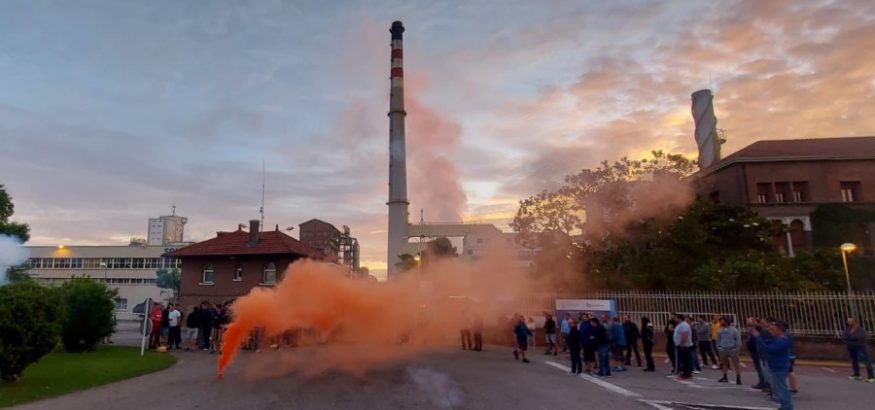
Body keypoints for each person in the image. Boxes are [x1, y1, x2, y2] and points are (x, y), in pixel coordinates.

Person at [752, 321, 793, 410]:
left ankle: (787, 407)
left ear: (779, 330)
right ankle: (785, 406)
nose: (770, 331)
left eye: (773, 330)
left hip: (779, 367)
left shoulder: (782, 340)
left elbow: (769, 349)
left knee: (781, 388)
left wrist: (758, 337)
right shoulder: (777, 339)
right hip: (776, 366)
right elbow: (767, 342)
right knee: (779, 388)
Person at [842, 317, 875, 382]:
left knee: (866, 361)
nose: (848, 322)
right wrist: (849, 339)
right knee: (854, 361)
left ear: (854, 322)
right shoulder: (847, 329)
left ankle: (871, 377)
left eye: (850, 321)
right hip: (851, 348)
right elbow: (844, 337)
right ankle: (856, 375)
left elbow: (858, 337)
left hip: (861, 348)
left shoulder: (860, 330)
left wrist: (850, 338)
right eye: (848, 321)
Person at [716, 317, 742, 385]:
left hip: (732, 349)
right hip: (723, 349)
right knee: (724, 363)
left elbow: (738, 340)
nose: (721, 323)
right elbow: (718, 339)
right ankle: (725, 377)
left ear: (726, 322)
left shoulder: (734, 330)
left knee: (736, 364)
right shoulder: (720, 330)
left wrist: (736, 348)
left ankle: (738, 378)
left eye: (722, 321)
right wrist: (719, 347)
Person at [674, 314, 693, 380]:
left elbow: (684, 334)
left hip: (684, 346)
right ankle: (687, 373)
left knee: (685, 361)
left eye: (676, 318)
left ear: (680, 319)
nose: (675, 319)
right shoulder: (680, 325)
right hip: (683, 345)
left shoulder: (683, 325)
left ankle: (686, 374)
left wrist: (682, 343)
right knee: (685, 360)